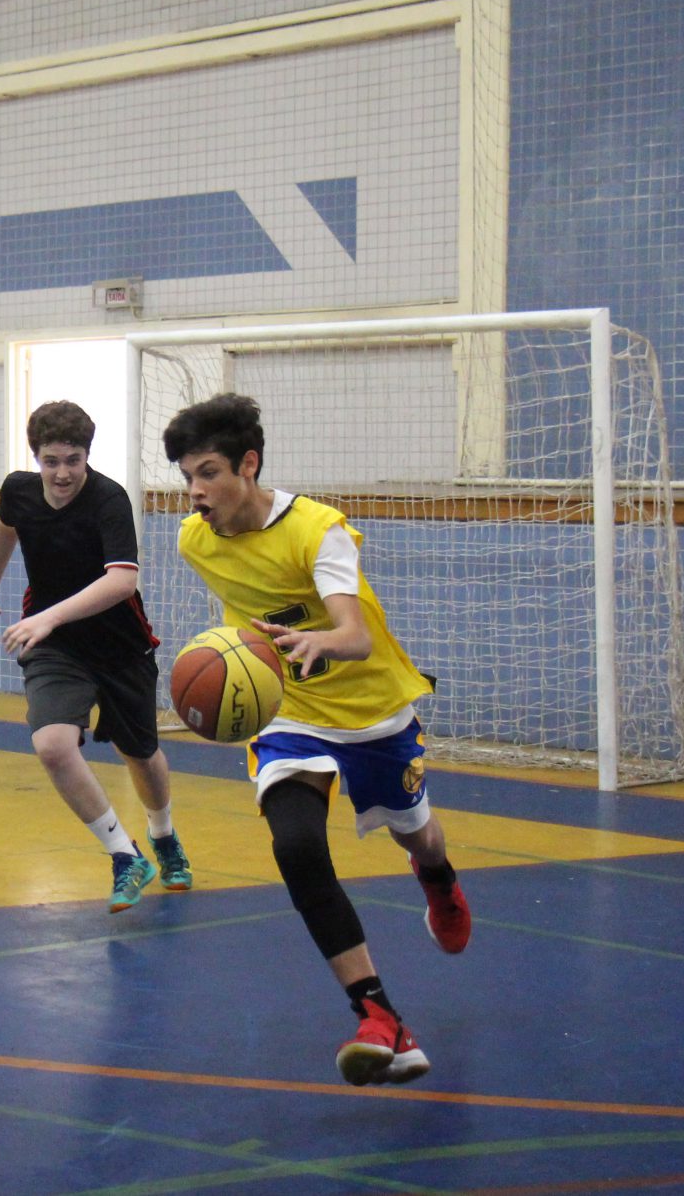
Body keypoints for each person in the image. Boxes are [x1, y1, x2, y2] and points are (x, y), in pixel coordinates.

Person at [161, 393, 471, 1086]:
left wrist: (316, 642)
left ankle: (439, 881)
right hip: (289, 714)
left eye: (209, 473)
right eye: (187, 477)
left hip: (370, 710)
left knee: (418, 837)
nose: (196, 491)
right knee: (297, 846)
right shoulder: (195, 541)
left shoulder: (317, 530)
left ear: (248, 464)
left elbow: (355, 637)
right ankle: (378, 1016)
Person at [0, 400, 191, 913]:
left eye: (73, 460)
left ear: (87, 456)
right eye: (51, 461)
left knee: (141, 754)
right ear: (36, 458)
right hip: (56, 648)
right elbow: (3, 528)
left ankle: (163, 834)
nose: (63, 473)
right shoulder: (19, 491)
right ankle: (124, 855)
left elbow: (122, 581)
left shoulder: (108, 500)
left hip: (119, 645)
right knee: (52, 745)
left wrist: (49, 616)